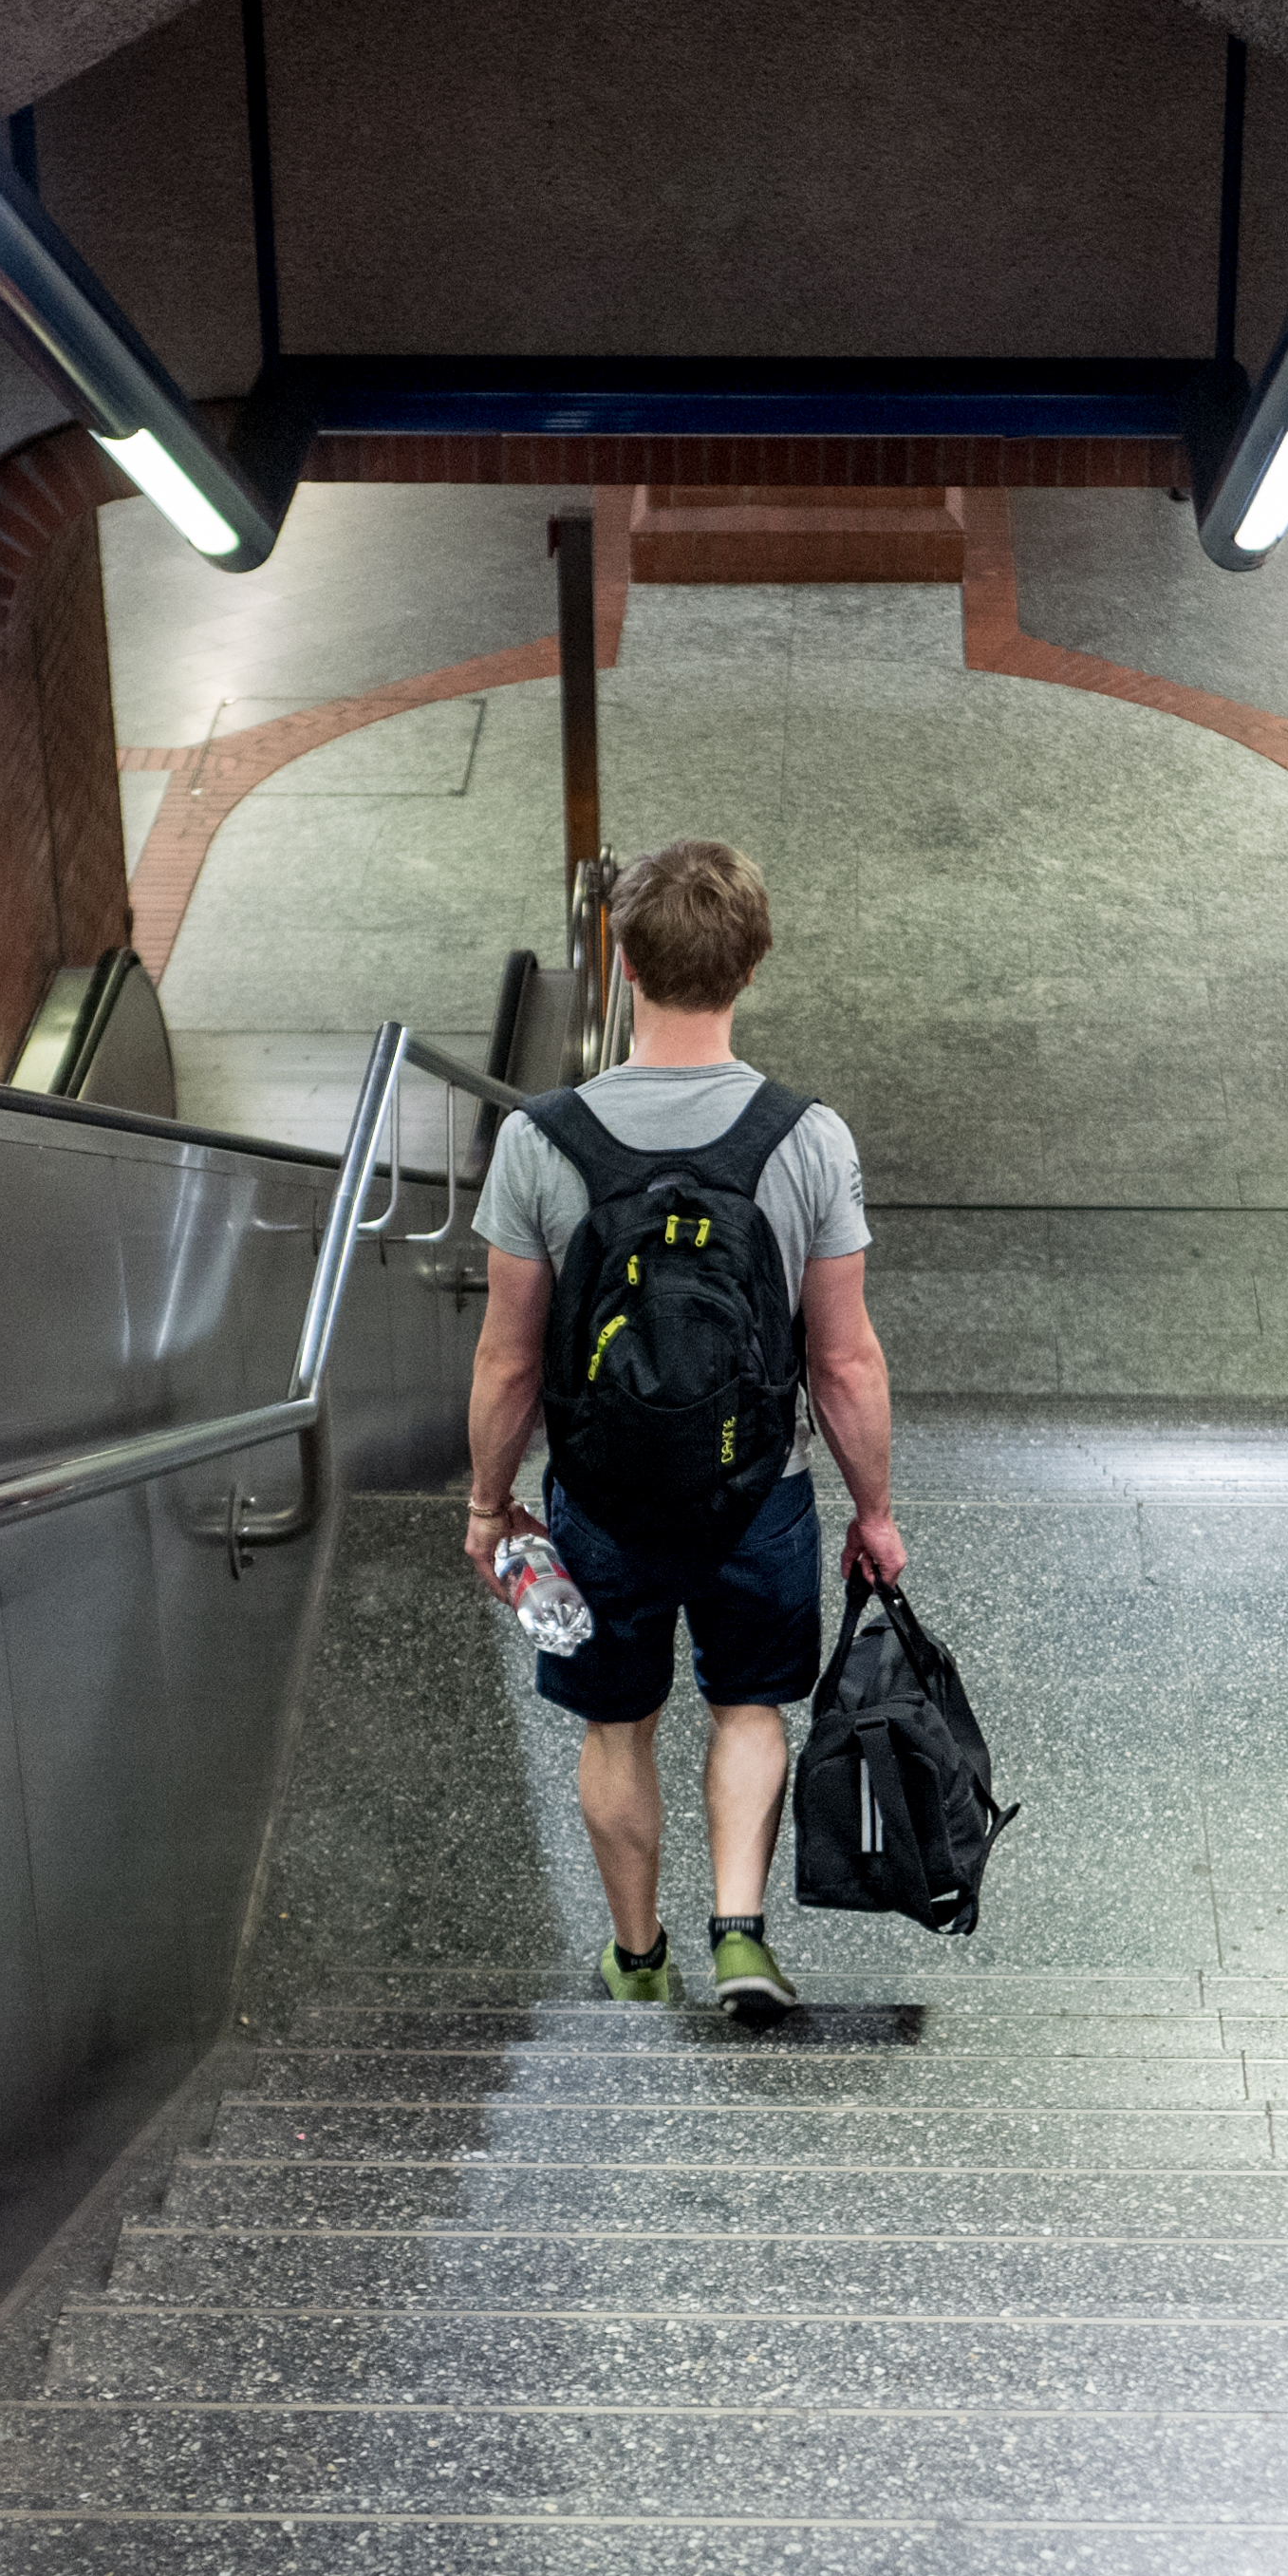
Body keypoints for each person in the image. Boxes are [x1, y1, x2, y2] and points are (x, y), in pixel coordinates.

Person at [463, 839, 909, 2020]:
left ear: (622, 959)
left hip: (598, 1497)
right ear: (750, 963)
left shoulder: (539, 1139)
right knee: (749, 1704)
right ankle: (741, 1935)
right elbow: (843, 1354)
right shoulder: (808, 1137)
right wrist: (872, 1511)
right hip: (756, 1486)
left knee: (616, 1724)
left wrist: (487, 1503)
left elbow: (509, 1355)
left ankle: (637, 1954)